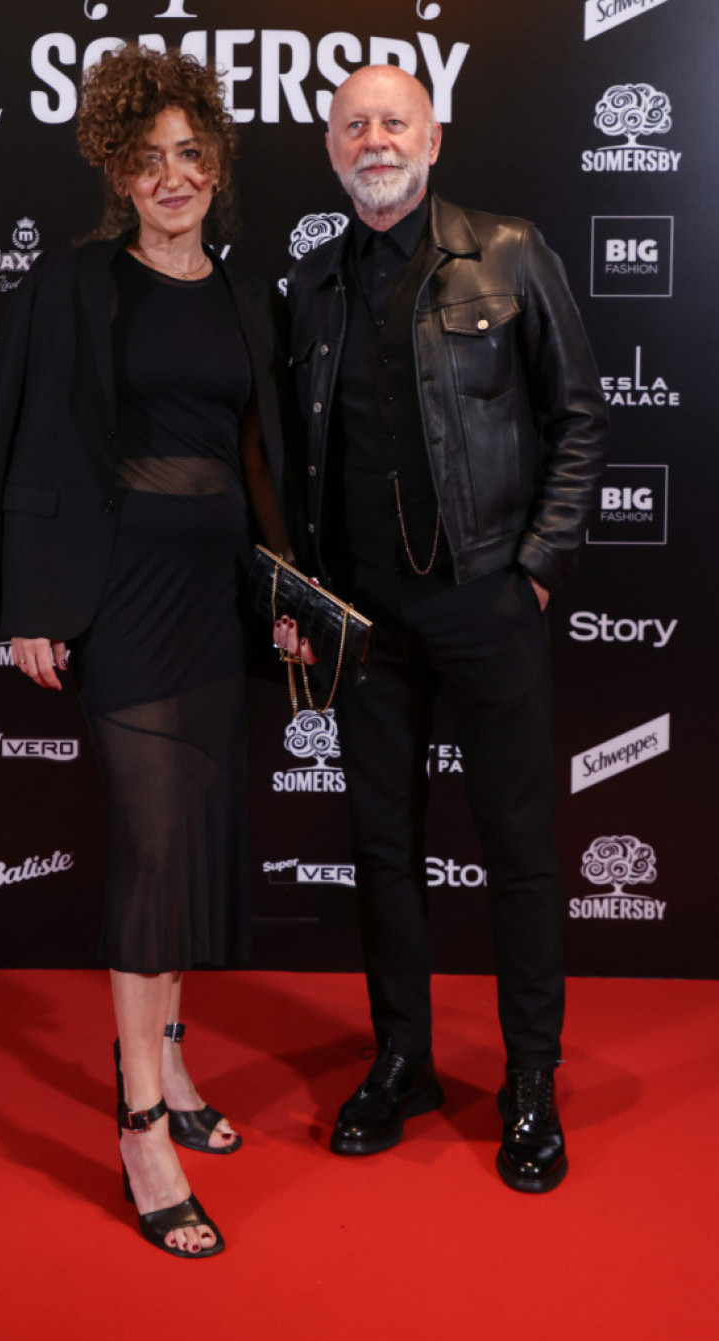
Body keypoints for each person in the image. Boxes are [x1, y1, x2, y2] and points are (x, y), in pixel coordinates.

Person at [0, 45, 289, 1256]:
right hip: (116, 600)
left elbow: (263, 461)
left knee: (191, 842)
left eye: (191, 153)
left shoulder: (247, 297)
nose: (174, 176)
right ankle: (143, 1124)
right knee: (154, 847)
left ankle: (172, 1062)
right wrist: (22, 604)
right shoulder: (73, 284)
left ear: (217, 164)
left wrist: (290, 588)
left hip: (216, 600)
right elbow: (13, 441)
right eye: (148, 158)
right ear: (116, 171)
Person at [279, 65, 608, 1192]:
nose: (375, 139)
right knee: (383, 850)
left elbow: (580, 418)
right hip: (366, 622)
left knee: (518, 850)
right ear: (331, 149)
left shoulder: (507, 253)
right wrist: (308, 598)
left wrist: (536, 572)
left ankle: (531, 1082)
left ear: (433, 138)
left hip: (487, 602)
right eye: (354, 125)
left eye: (395, 121)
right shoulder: (311, 284)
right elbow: (295, 459)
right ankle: (403, 1061)